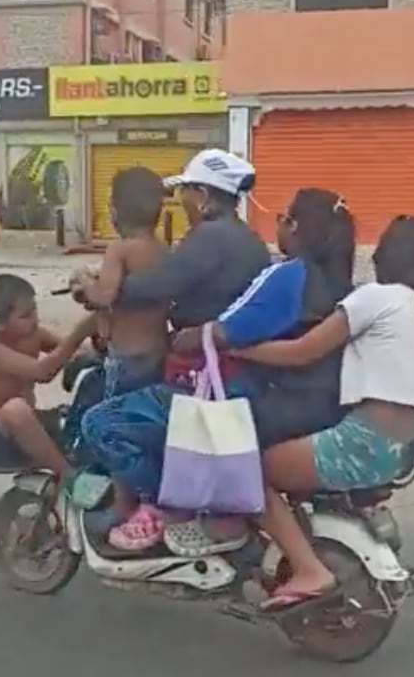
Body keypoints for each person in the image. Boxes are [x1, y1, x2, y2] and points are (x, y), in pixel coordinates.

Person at [231, 215, 414, 610]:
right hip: (395, 449)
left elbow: (303, 351)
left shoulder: (375, 298)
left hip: (362, 443)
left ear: (388, 254)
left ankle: (308, 569)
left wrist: (236, 348)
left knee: (251, 472)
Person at [73, 149, 271, 550]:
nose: (181, 203)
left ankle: (160, 504)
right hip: (223, 367)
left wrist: (97, 291)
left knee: (99, 424)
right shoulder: (247, 240)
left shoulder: (209, 239)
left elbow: (158, 284)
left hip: (205, 376)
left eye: (186, 194)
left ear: (203, 195)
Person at [0, 274, 98, 480]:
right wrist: (79, 333)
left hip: (31, 421)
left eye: (34, 310)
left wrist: (103, 349)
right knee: (15, 409)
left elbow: (74, 350)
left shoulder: (34, 334)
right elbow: (42, 372)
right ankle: (68, 476)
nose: (35, 319)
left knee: (78, 416)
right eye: (25, 316)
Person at [71, 166, 171, 400]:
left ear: (115, 212)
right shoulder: (162, 249)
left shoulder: (120, 249)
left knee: (115, 410)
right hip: (157, 351)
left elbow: (103, 297)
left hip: (126, 356)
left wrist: (83, 278)